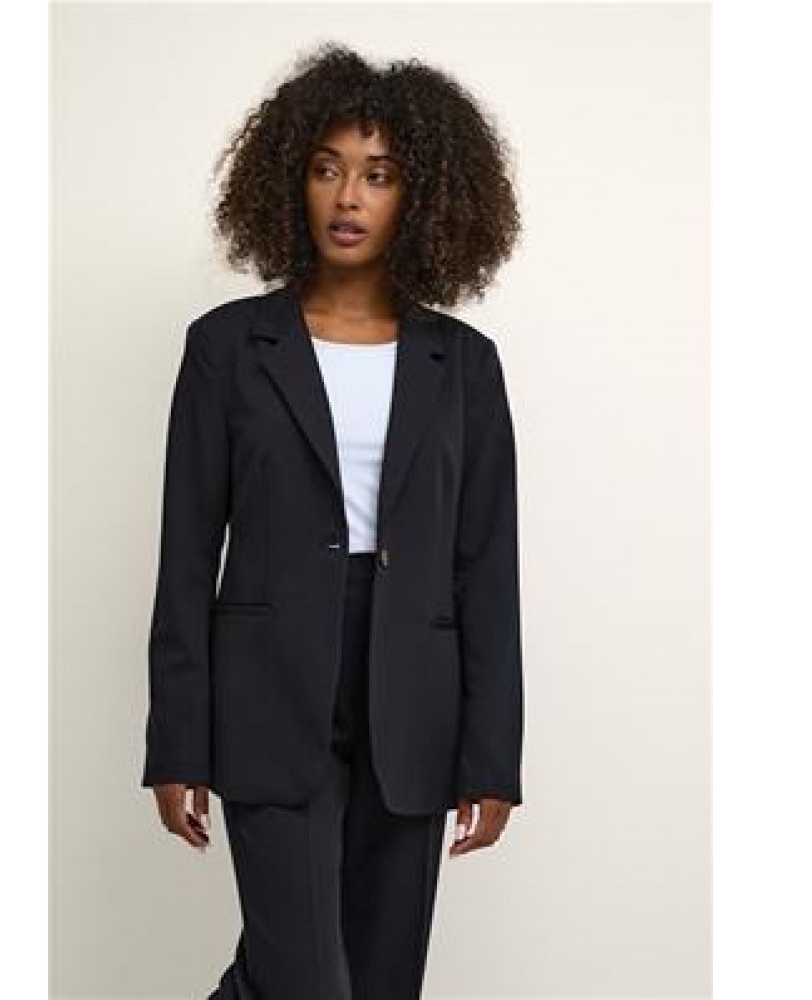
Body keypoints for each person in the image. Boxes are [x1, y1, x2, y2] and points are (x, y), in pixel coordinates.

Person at [141, 42, 524, 1000]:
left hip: (414, 702)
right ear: (290, 181)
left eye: (379, 175)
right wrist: (177, 742)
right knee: (304, 977)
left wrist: (492, 757)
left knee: (381, 981)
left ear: (423, 197)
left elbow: (487, 567)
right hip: (268, 696)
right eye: (327, 169)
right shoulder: (228, 349)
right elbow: (186, 556)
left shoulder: (464, 364)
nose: (348, 197)